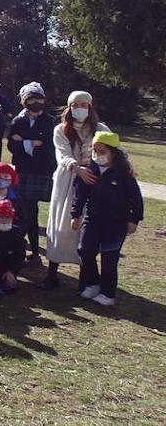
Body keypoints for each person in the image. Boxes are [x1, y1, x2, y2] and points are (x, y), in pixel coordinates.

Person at [70, 131, 143, 307]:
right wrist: (75, 214)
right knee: (84, 250)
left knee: (109, 258)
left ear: (113, 153)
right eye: (95, 150)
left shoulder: (124, 173)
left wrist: (134, 219)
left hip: (116, 223)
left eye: (102, 151)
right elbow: (79, 195)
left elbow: (136, 197)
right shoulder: (90, 171)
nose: (98, 155)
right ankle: (93, 283)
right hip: (93, 219)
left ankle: (108, 293)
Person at [8, 82, 56, 265]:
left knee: (33, 212)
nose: (35, 102)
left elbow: (49, 145)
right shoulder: (18, 121)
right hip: (22, 169)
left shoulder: (50, 121)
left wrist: (25, 142)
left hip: (42, 170)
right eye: (31, 98)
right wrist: (34, 142)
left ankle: (35, 252)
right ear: (23, 100)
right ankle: (23, 250)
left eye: (38, 98)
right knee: (23, 211)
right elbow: (12, 145)